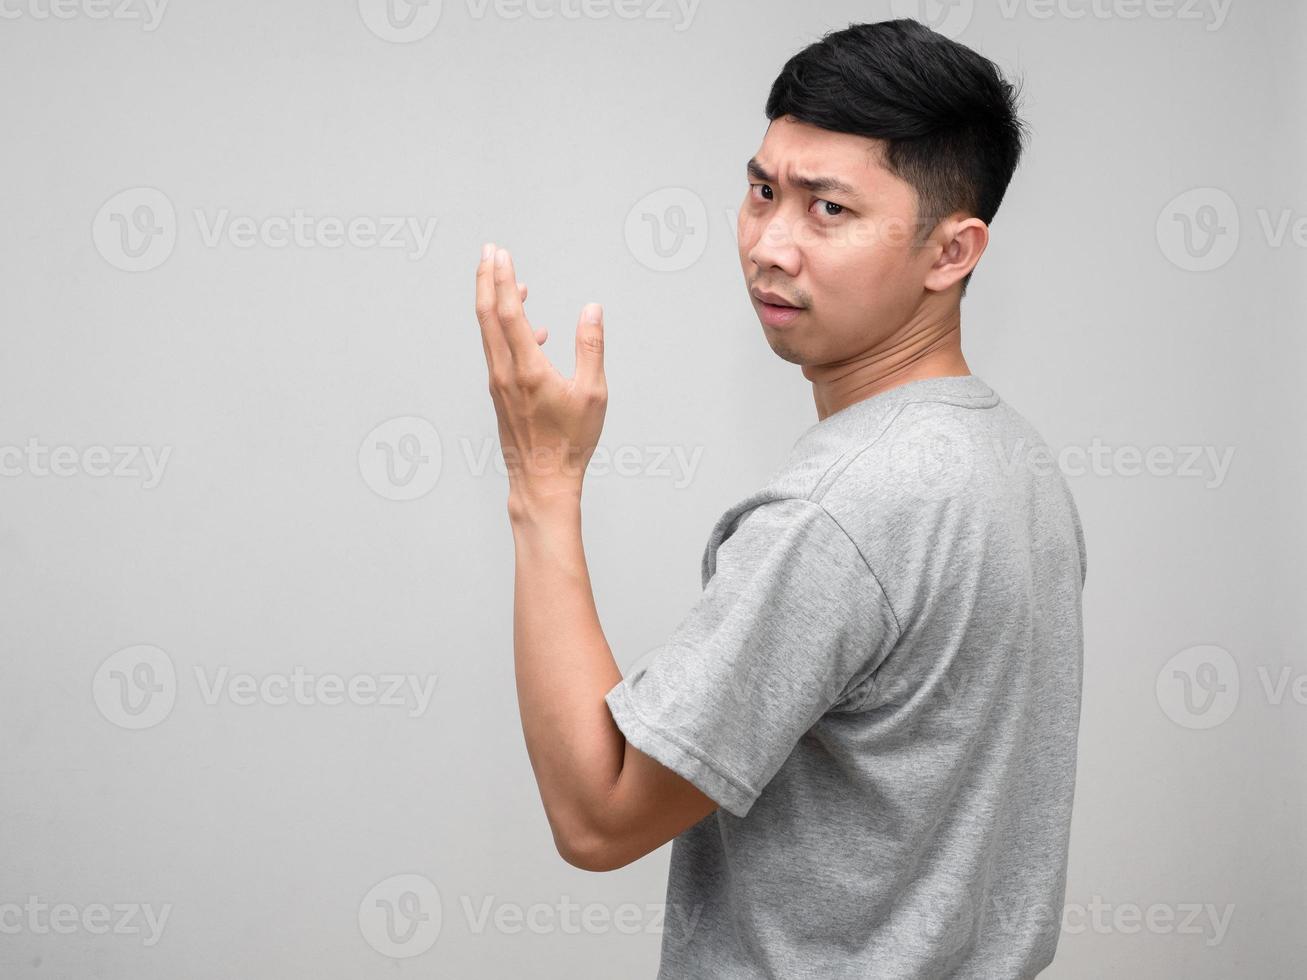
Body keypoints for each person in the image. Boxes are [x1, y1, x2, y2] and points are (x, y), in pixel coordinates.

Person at [474, 18, 1086, 979]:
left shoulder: (837, 514)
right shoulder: (1011, 460)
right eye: (762, 191)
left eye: (827, 210)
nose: (769, 244)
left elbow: (597, 818)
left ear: (950, 251)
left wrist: (540, 482)